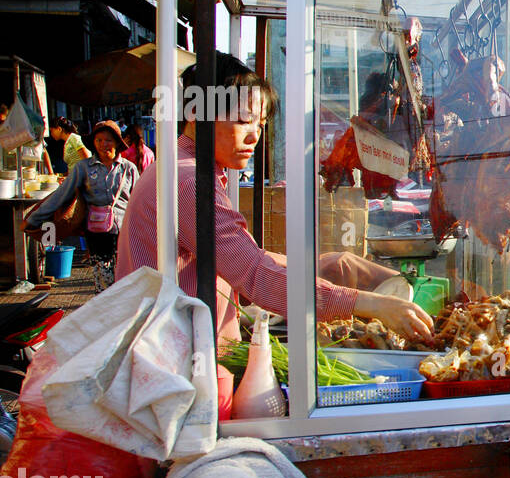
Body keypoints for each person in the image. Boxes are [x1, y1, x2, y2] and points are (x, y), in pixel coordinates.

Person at [116, 53, 433, 351]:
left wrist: (335, 266)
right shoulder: (189, 180)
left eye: (260, 124)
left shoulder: (182, 167)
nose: (254, 136)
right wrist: (368, 303)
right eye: (243, 120)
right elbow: (253, 273)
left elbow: (243, 259)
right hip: (182, 362)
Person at [27, 120, 139, 292]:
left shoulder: (129, 169)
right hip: (97, 232)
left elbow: (139, 201)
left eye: (108, 140)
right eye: (99, 140)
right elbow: (60, 195)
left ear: (117, 142)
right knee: (103, 283)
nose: (103, 144)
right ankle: (104, 314)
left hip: (125, 233)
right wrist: (34, 218)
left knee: (127, 282)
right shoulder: (83, 168)